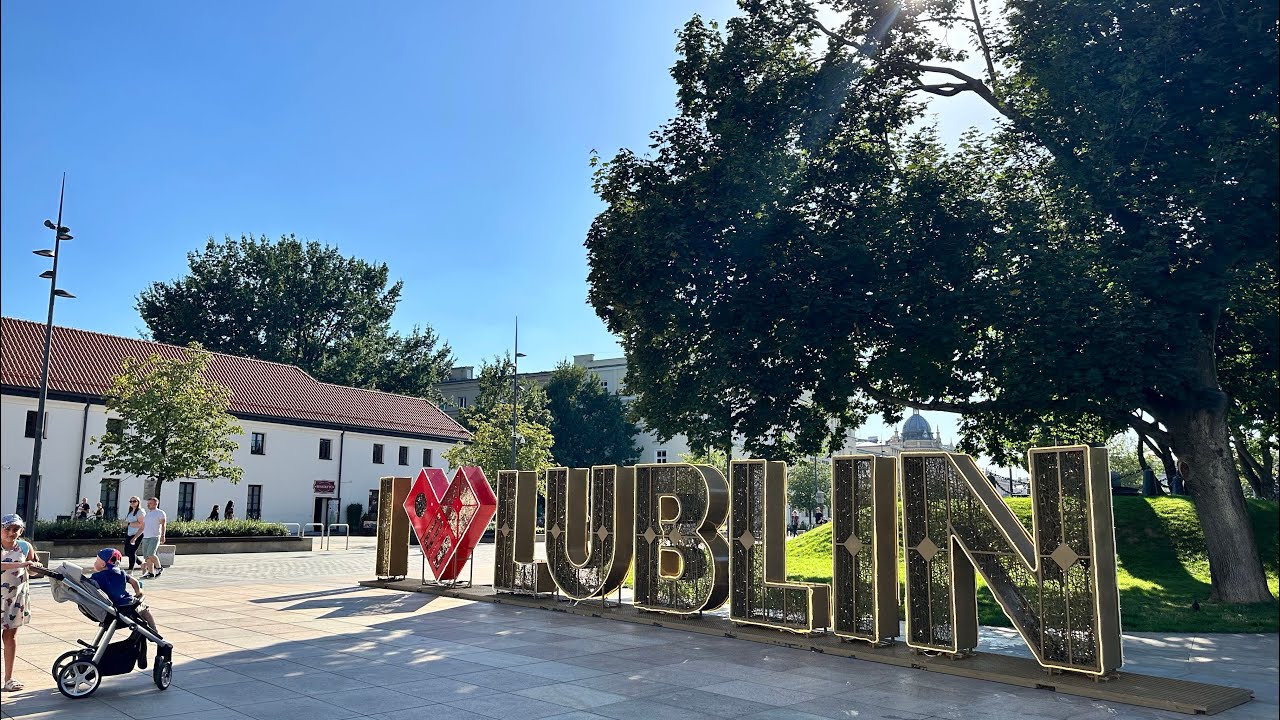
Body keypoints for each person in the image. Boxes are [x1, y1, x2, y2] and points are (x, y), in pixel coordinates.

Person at [2, 514, 42, 692]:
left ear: (21, 530)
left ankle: (8, 679)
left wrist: (34, 567)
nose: (11, 532)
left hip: (15, 599)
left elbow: (32, 570)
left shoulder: (25, 547)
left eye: (16, 529)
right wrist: (21, 565)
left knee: (10, 637)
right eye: (7, 529)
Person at [90, 548, 158, 633]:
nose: (95, 562)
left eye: (97, 560)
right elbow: (135, 582)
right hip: (127, 604)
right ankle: (154, 629)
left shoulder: (95, 577)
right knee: (144, 608)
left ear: (103, 564)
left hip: (110, 607)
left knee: (140, 609)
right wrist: (138, 593)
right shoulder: (121, 573)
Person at [138, 498, 167, 579]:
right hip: (146, 537)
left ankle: (159, 568)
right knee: (147, 557)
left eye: (150, 503)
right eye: (148, 503)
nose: (148, 505)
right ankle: (150, 573)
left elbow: (163, 525)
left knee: (151, 554)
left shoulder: (160, 513)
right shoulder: (147, 514)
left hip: (154, 537)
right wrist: (135, 537)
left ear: (156, 504)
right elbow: (142, 527)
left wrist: (163, 535)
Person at [123, 497, 144, 571]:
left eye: (134, 501)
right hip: (130, 533)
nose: (132, 502)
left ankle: (130, 569)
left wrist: (129, 524)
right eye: (131, 501)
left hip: (137, 534)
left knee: (131, 552)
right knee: (127, 552)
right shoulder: (131, 511)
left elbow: (141, 524)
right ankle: (141, 563)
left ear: (138, 502)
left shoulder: (140, 511)